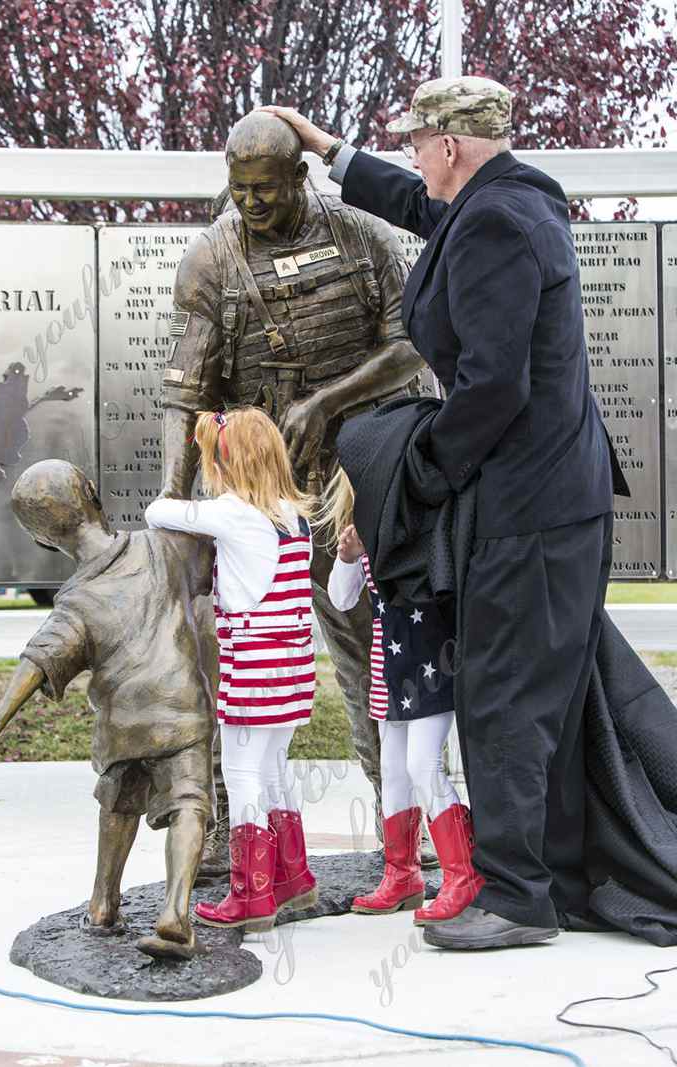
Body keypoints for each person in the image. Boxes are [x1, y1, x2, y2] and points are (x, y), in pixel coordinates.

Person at [263, 75, 630, 950]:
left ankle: (516, 899)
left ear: (451, 146)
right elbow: (426, 211)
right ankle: (565, 875)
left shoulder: (498, 221)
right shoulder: (505, 202)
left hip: (528, 506)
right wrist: (328, 151)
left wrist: (415, 471)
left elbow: (494, 385)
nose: (412, 159)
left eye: (417, 144)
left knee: (501, 694)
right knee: (543, 689)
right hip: (551, 498)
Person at [158, 111, 427, 875]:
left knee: (376, 649)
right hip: (258, 497)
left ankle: (404, 821)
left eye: (267, 189)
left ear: (300, 176)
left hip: (359, 483)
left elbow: (413, 343)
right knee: (227, 660)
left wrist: (327, 400)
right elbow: (186, 393)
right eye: (239, 190)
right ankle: (218, 830)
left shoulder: (362, 237)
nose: (252, 203)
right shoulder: (209, 260)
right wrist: (180, 523)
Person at [0, 460, 217, 960]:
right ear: (93, 493)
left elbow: (38, 659)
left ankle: (103, 902)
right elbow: (221, 556)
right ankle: (176, 911)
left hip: (123, 724)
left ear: (41, 540)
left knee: (117, 804)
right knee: (189, 804)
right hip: (183, 708)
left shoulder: (75, 601)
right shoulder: (165, 545)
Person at [145, 406, 318, 932]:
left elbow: (158, 512)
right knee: (274, 769)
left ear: (229, 462)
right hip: (293, 660)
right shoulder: (295, 513)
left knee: (240, 774)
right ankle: (292, 879)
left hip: (255, 658)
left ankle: (252, 895)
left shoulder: (232, 513)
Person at [324, 467, 482, 922]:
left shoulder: (418, 527)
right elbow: (340, 598)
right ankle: (402, 875)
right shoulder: (363, 536)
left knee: (421, 765)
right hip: (389, 670)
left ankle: (462, 873)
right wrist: (349, 556)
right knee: (394, 772)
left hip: (431, 666)